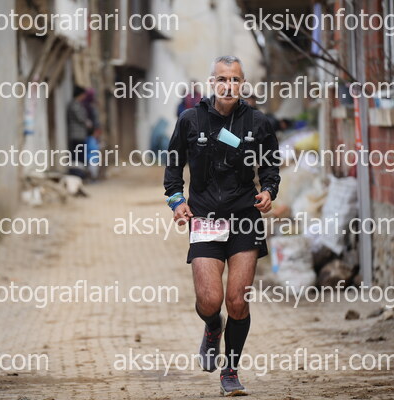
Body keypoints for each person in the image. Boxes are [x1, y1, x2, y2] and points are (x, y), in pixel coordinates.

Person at [163, 56, 280, 396]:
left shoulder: (257, 122)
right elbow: (173, 168)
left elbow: (271, 167)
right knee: (210, 300)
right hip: (205, 218)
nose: (228, 86)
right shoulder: (190, 120)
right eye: (222, 79)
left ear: (242, 84)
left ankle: (230, 371)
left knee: (238, 301)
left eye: (235, 80)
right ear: (212, 83)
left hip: (244, 217)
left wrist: (269, 191)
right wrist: (177, 201)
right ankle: (212, 326)